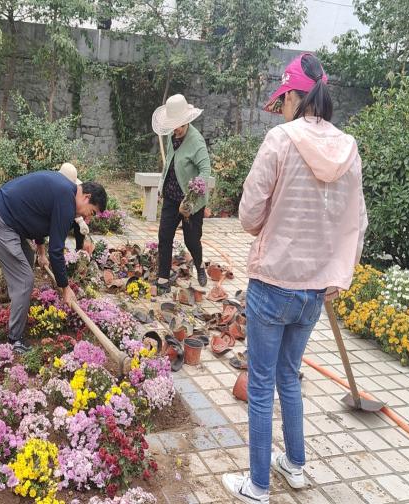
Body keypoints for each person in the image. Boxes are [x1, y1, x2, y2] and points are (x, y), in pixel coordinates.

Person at [222, 53, 367, 504]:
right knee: (289, 375)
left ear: (295, 96)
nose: (281, 107)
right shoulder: (349, 148)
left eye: (283, 98)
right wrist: (335, 274)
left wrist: (270, 221)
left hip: (273, 283)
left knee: (261, 383)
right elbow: (356, 222)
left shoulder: (280, 140)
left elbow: (248, 214)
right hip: (314, 292)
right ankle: (296, 465)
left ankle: (258, 486)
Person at [0, 171, 107, 354]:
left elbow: (39, 217)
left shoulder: (64, 191)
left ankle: (15, 298)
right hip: (0, 221)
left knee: (27, 257)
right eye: (92, 212)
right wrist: (65, 287)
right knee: (25, 280)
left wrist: (40, 252)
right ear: (86, 197)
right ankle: (14, 339)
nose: (88, 218)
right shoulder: (66, 201)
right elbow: (56, 251)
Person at [151, 94, 211, 294]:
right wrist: (161, 186)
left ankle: (200, 265)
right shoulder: (171, 136)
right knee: (164, 236)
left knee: (191, 240)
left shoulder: (197, 142)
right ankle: (163, 278)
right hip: (171, 196)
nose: (176, 129)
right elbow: (169, 161)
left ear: (187, 121)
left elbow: (205, 171)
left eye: (180, 125)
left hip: (190, 201)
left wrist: (193, 196)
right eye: (173, 125)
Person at [58, 162, 92, 252]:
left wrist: (81, 221)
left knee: (79, 225)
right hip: (58, 218)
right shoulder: (58, 190)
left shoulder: (77, 191)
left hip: (71, 216)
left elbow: (77, 208)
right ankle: (59, 249)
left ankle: (79, 250)